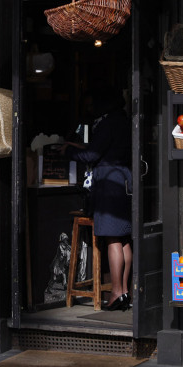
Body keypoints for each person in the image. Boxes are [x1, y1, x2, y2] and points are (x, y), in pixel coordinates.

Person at [65, 88, 133, 312]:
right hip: (124, 180)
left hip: (109, 184)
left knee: (112, 238)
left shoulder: (106, 123)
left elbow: (92, 156)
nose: (91, 108)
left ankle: (115, 292)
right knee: (123, 238)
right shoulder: (123, 120)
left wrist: (68, 152)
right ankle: (123, 291)